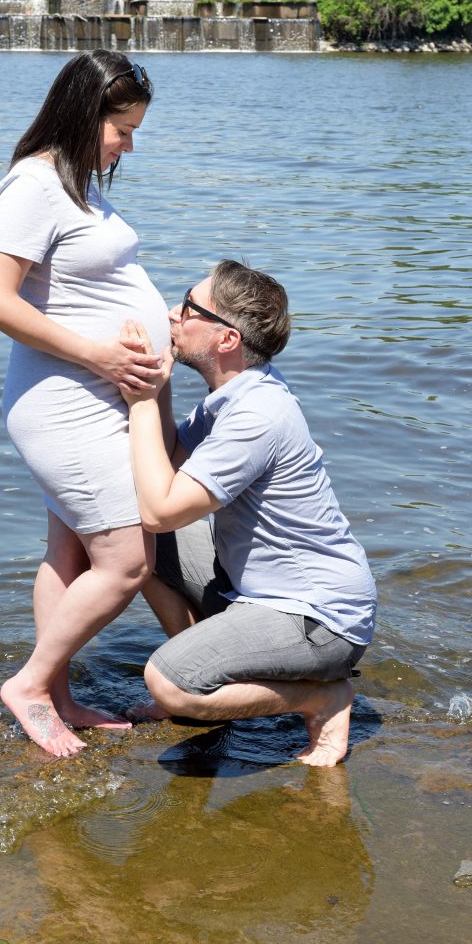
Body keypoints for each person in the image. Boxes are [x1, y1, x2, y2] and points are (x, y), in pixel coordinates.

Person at [0, 50, 169, 758]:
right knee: (125, 561)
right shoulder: (32, 185)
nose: (128, 144)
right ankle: (28, 684)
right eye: (122, 129)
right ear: (86, 117)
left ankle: (58, 695)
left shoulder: (77, 184)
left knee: (71, 555)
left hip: (97, 395)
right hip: (65, 402)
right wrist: (101, 355)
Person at [120, 260, 377, 766]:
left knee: (168, 683)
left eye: (190, 307)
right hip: (259, 592)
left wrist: (142, 403)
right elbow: (168, 468)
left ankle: (322, 698)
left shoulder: (257, 415)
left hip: (318, 616)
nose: (174, 313)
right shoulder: (235, 394)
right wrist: (159, 381)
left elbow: (161, 510)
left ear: (227, 339)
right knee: (127, 541)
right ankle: (208, 671)